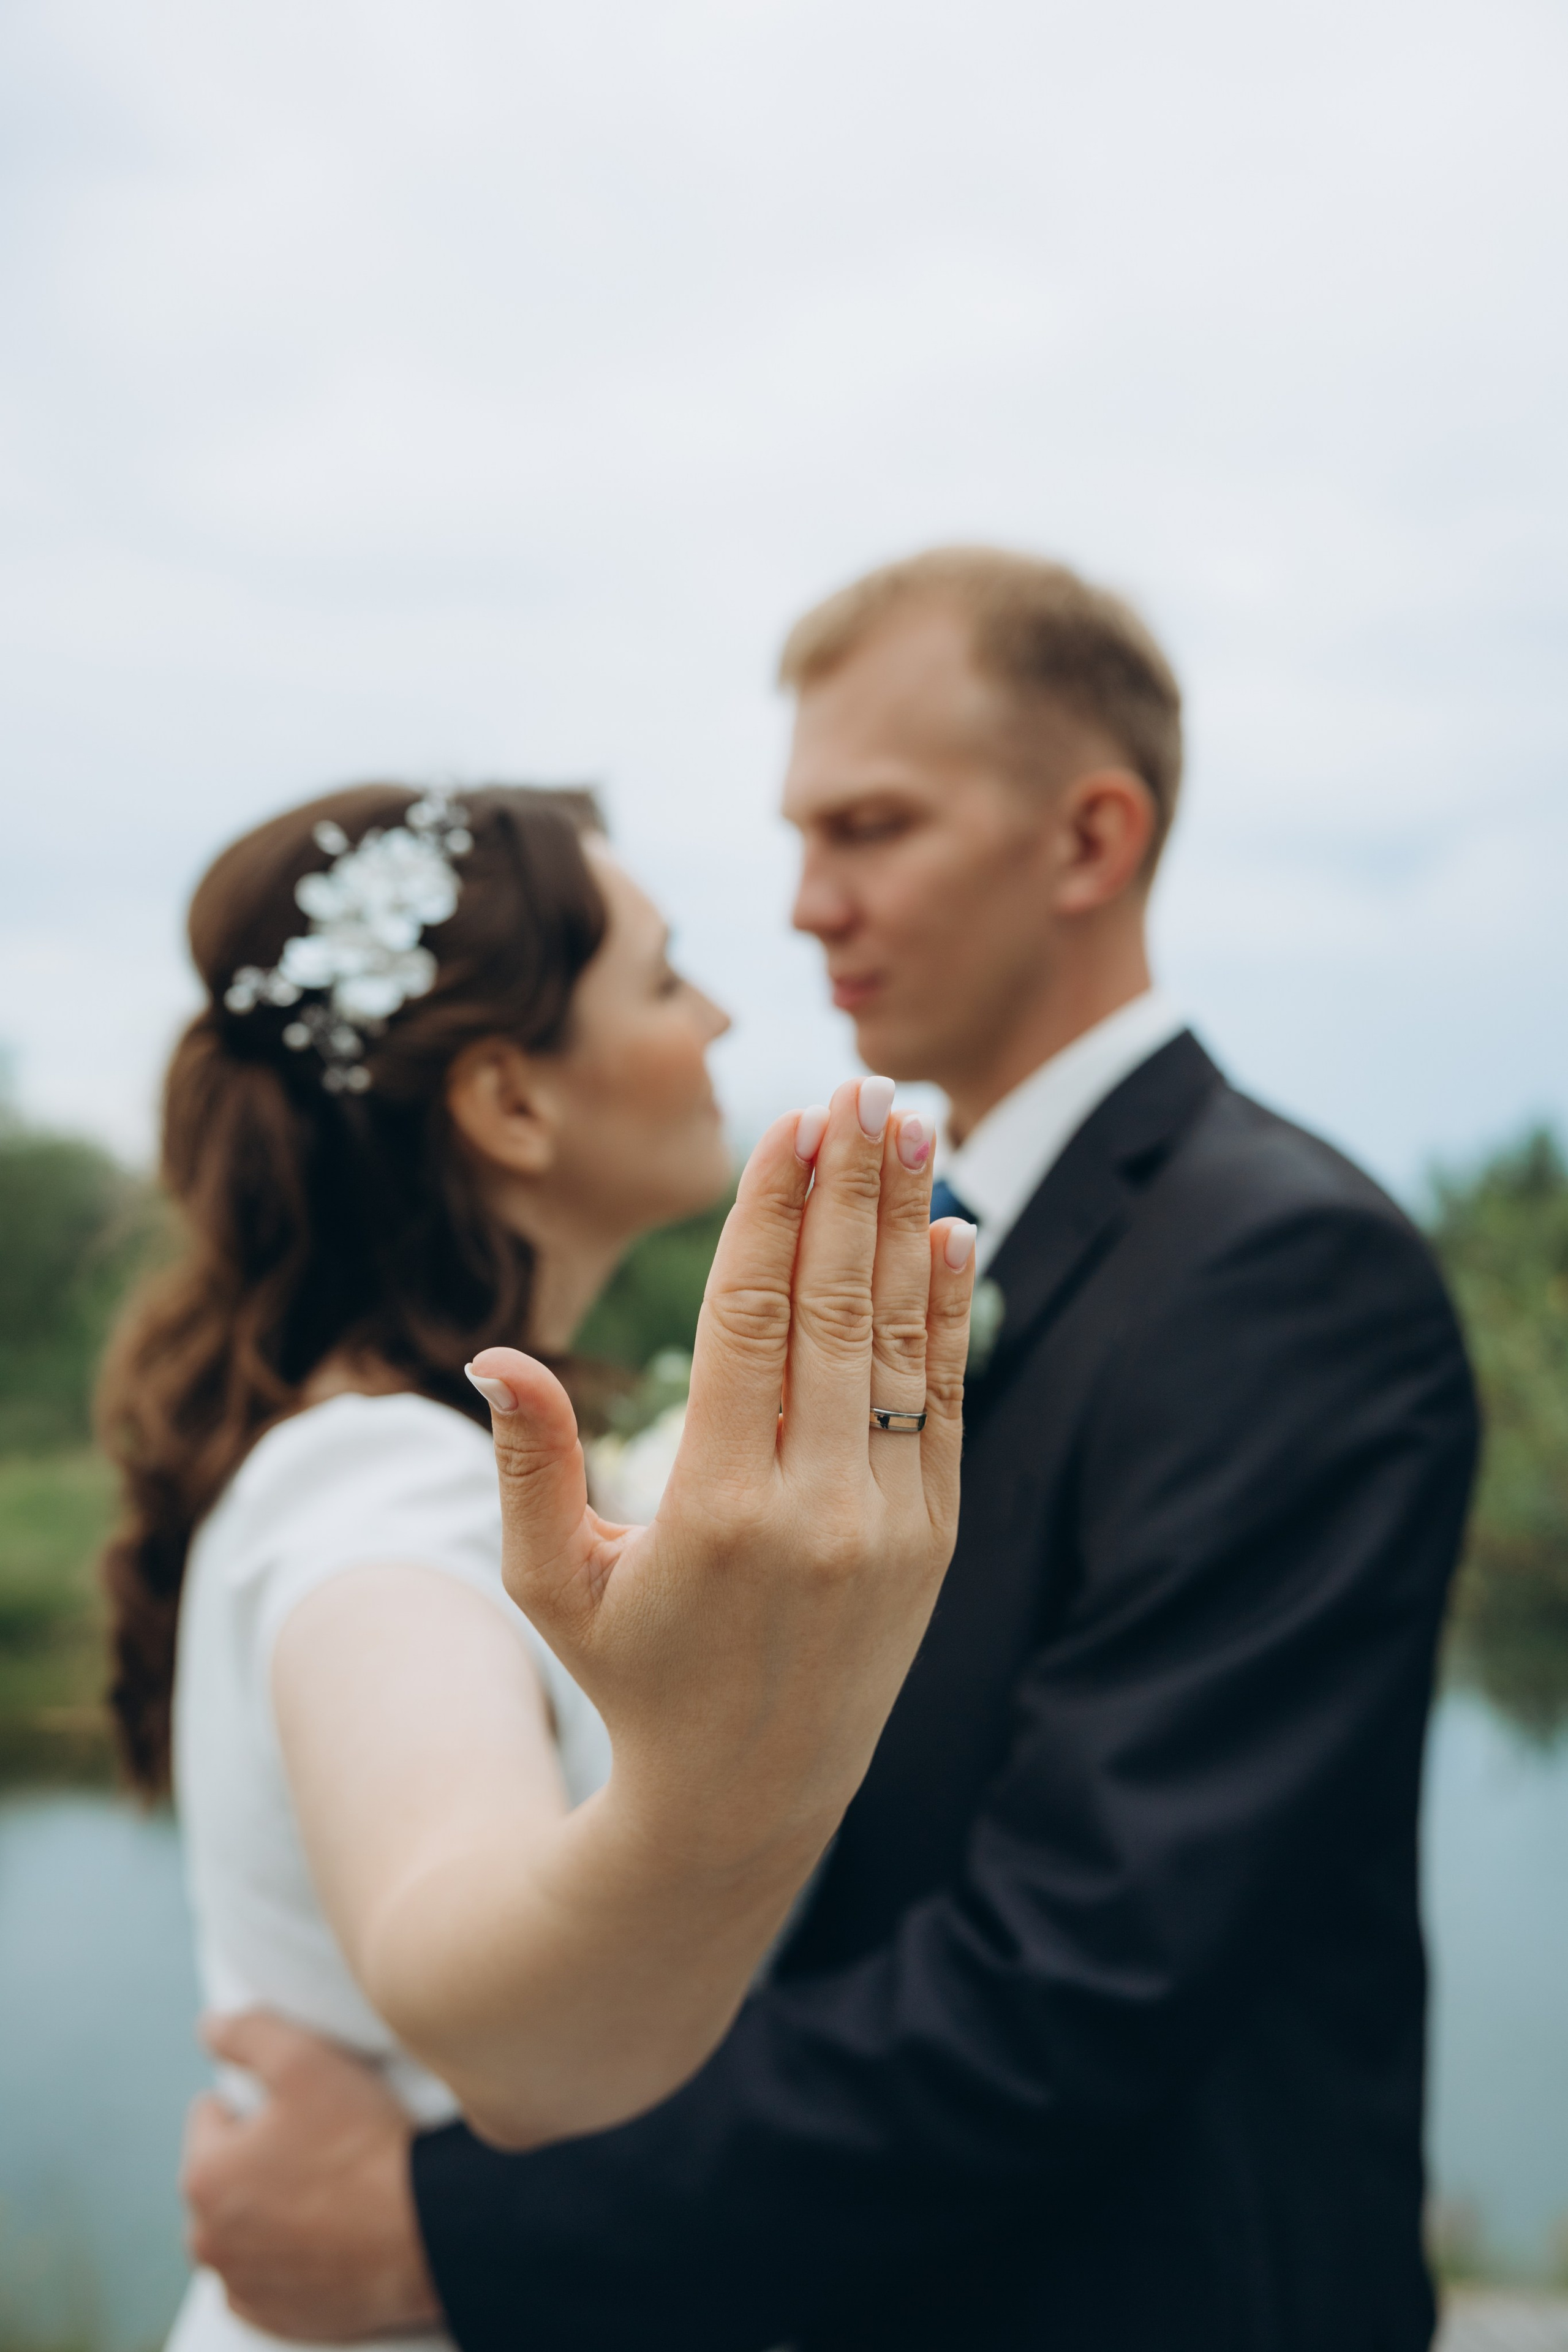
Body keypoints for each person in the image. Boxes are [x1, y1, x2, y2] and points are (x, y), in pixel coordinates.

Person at [181, 552, 1479, 2351]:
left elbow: (1081, 1967)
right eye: (795, 836)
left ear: (1090, 843)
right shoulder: (434, 1471)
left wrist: (444, 2232)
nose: (800, 910)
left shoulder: (1281, 1266)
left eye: (867, 827)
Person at [96, 778, 976, 2352]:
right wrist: (732, 1765)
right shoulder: (379, 1491)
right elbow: (496, 2011)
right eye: (661, 974)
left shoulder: (400, 1451)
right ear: (509, 1102)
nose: (718, 1016)